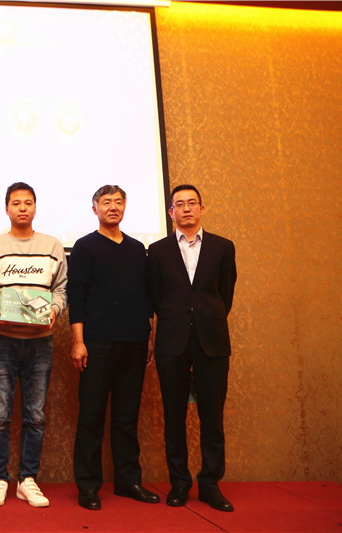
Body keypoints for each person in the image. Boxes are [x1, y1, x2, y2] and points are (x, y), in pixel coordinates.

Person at [68, 185, 160, 511]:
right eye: (106, 202)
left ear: (125, 207)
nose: (113, 207)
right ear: (95, 208)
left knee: (126, 417)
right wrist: (78, 342)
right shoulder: (84, 246)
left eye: (118, 202)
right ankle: (88, 486)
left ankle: (128, 481)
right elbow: (76, 295)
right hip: (97, 343)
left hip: (134, 341)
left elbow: (146, 296)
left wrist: (149, 336)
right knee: (91, 417)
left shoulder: (137, 249)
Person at [0, 182, 67, 508]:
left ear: (35, 207)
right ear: (7, 209)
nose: (22, 208)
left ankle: (27, 479)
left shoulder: (52, 246)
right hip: (1, 340)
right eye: (16, 203)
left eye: (28, 202)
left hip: (40, 343)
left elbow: (61, 290)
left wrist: (54, 310)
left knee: (36, 415)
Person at [148, 184, 237, 512]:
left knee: (212, 416)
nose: (186, 209)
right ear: (171, 212)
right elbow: (155, 297)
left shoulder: (222, 247)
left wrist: (204, 318)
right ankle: (180, 484)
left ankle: (210, 484)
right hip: (171, 342)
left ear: (201, 208)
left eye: (192, 203)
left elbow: (225, 294)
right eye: (179, 204)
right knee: (174, 416)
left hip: (211, 342)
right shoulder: (157, 251)